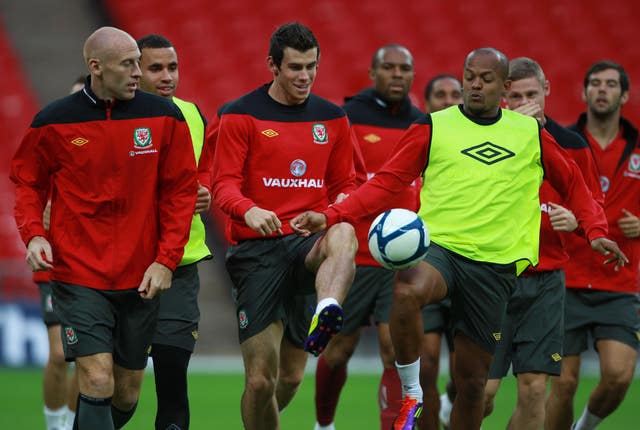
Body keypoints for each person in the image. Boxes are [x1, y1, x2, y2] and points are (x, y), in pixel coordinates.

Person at [290, 47, 627, 430]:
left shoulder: (531, 134)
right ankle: (412, 392)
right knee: (406, 290)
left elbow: (576, 188)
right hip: (441, 250)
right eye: (470, 76)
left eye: (485, 78)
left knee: (472, 388)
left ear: (505, 86)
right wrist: (332, 214)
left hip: (496, 266)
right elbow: (386, 183)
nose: (475, 85)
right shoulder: (433, 126)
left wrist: (595, 231)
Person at [11, 26, 197, 430]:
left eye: (138, 63)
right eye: (128, 64)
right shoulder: (54, 121)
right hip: (79, 275)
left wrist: (166, 261)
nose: (138, 72)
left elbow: (181, 193)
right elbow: (27, 181)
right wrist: (34, 233)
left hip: (141, 275)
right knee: (96, 379)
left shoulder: (165, 118)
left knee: (126, 392)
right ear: (96, 67)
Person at [211, 22, 358, 430]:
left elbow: (347, 183)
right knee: (264, 383)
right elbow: (221, 183)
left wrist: (335, 209)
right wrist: (247, 210)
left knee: (343, 231)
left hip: (305, 244)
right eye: (295, 67)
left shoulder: (332, 118)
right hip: (257, 252)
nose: (305, 76)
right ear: (272, 65)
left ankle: (328, 307)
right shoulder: (240, 114)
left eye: (312, 66)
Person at [482, 57, 604, 430]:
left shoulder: (573, 146)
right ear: (504, 98)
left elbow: (593, 204)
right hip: (495, 275)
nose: (525, 104)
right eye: (516, 97)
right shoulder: (486, 143)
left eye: (532, 94)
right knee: (481, 391)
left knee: (534, 389)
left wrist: (577, 222)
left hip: (547, 279)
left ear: (547, 90)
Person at [313, 44, 423, 430]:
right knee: (340, 349)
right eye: (389, 68)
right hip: (357, 251)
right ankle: (324, 424)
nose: (397, 74)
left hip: (402, 257)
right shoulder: (348, 117)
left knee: (394, 350)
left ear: (413, 75)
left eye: (404, 69)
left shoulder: (423, 123)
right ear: (373, 73)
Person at [546, 60, 640, 430]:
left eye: (611, 84)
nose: (602, 90)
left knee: (618, 375)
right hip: (565, 279)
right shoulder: (563, 144)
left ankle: (583, 427)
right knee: (563, 382)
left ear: (625, 94)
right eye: (595, 83)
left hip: (618, 282)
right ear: (584, 92)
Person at [137, 34, 213, 430]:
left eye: (172, 67)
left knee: (172, 381)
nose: (167, 76)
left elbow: (203, 171)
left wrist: (203, 192)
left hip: (181, 264)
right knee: (118, 392)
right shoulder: (121, 117)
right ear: (136, 70)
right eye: (156, 68)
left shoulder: (192, 113)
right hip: (126, 267)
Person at [34, 77, 87, 430]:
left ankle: (69, 423)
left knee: (87, 356)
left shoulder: (105, 146)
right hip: (56, 260)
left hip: (93, 261)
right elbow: (27, 190)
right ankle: (55, 425)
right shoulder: (50, 142)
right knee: (59, 353)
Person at [420, 73, 462, 430]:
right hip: (427, 263)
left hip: (472, 266)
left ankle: (453, 398)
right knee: (427, 362)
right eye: (440, 94)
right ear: (427, 102)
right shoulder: (419, 140)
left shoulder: (481, 146)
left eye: (455, 94)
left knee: (471, 375)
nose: (448, 100)